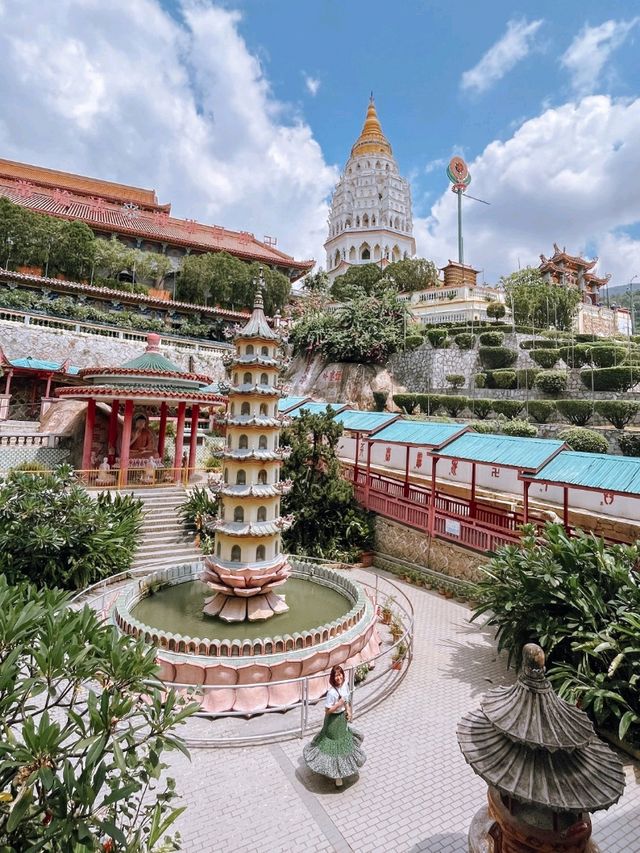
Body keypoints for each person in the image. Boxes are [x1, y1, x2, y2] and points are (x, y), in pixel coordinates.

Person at [302, 665, 366, 788]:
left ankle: (343, 768)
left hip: (342, 719)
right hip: (332, 721)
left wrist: (348, 710)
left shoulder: (345, 686)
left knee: (343, 743)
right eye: (336, 675)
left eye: (340, 674)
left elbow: (346, 700)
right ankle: (337, 775)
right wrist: (338, 704)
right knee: (334, 746)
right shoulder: (331, 692)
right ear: (333, 677)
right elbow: (327, 711)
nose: (338, 677)